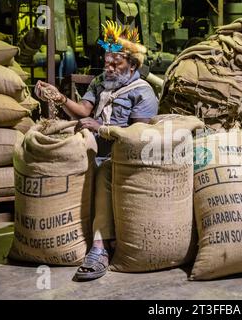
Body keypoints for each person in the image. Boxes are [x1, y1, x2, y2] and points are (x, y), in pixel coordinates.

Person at [35, 21, 158, 281]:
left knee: (103, 173)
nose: (109, 68)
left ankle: (100, 248)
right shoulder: (101, 82)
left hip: (122, 158)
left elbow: (137, 137)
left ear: (132, 66)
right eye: (107, 61)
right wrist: (59, 98)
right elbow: (83, 111)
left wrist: (101, 128)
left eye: (116, 63)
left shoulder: (143, 93)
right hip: (96, 150)